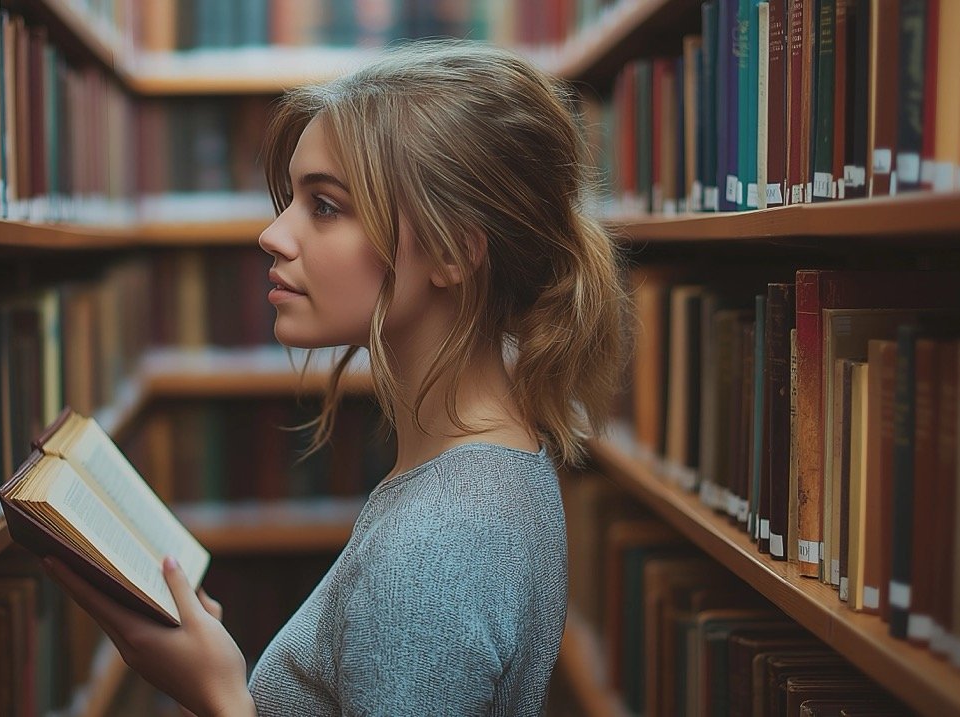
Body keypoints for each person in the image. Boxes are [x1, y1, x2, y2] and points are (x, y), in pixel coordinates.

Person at [43, 39, 630, 716]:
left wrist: (216, 693)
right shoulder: (491, 467)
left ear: (453, 250)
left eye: (324, 206)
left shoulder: (439, 543)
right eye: (292, 198)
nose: (274, 234)